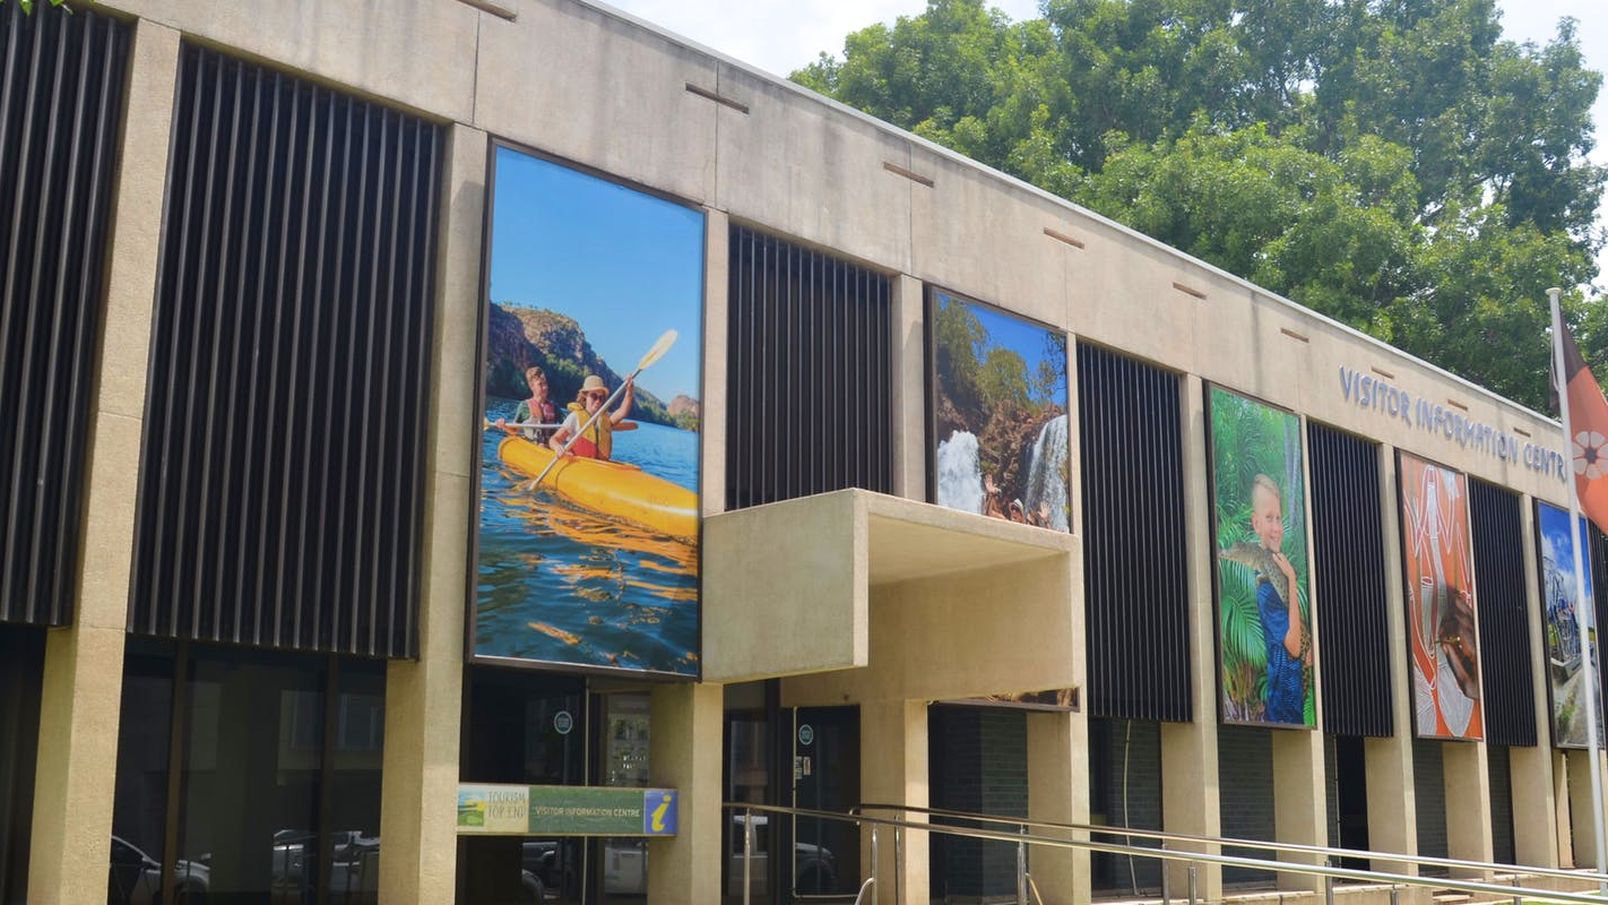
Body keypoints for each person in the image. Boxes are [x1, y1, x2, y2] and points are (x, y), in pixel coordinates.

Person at [1249, 473, 1308, 724]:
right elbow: (1293, 647)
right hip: (1283, 703)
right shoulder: (1266, 590)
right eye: (1268, 518)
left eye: (1278, 518)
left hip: (1292, 698)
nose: (1275, 528)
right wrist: (1292, 579)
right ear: (1256, 523)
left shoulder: (1277, 566)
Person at [550, 373, 637, 461]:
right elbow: (554, 439)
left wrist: (629, 392)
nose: (598, 401)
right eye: (594, 396)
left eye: (601, 397)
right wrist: (557, 447)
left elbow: (622, 412)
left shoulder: (605, 419)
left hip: (599, 465)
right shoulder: (575, 417)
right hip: (579, 464)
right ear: (585, 395)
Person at [496, 365, 558, 444]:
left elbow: (567, 426)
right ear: (532, 387)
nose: (545, 387)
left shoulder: (555, 407)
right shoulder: (524, 406)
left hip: (548, 448)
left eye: (545, 383)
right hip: (532, 447)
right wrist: (504, 426)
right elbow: (514, 430)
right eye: (540, 384)